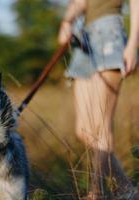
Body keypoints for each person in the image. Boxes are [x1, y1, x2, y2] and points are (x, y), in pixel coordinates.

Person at [58, 0, 139, 199]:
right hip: (85, 40)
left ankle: (96, 192)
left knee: (101, 126)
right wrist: (67, 22)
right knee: (84, 130)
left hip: (109, 35)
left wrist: (132, 46)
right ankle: (128, 190)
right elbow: (80, 3)